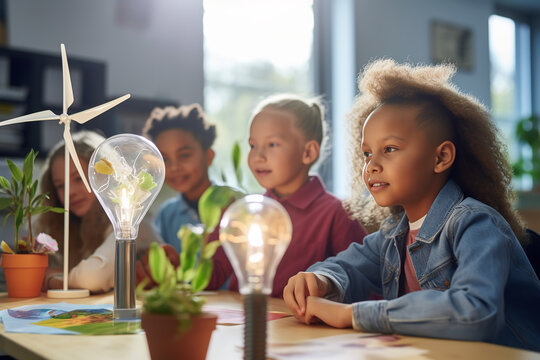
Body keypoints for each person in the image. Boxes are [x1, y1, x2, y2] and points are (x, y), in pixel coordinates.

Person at [283, 59, 540, 352]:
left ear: (441, 157)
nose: (371, 166)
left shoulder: (476, 223)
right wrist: (319, 279)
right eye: (367, 153)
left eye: (389, 149)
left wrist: (353, 314)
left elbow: (476, 311)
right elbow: (348, 266)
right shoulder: (394, 234)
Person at [206, 94, 367, 298]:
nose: (258, 156)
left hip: (301, 326)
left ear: (308, 152)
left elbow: (363, 279)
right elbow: (214, 276)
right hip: (245, 319)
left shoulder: (337, 213)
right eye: (253, 145)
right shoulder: (249, 212)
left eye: (272, 144)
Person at [36, 130, 161, 293]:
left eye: (78, 178)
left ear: (105, 177)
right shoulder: (73, 229)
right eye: (60, 185)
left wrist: (51, 278)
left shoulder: (134, 224)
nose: (70, 192)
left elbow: (91, 279)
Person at [141, 104, 216, 253]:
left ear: (208, 156)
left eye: (184, 155)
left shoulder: (234, 205)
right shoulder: (166, 215)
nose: (174, 167)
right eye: (165, 159)